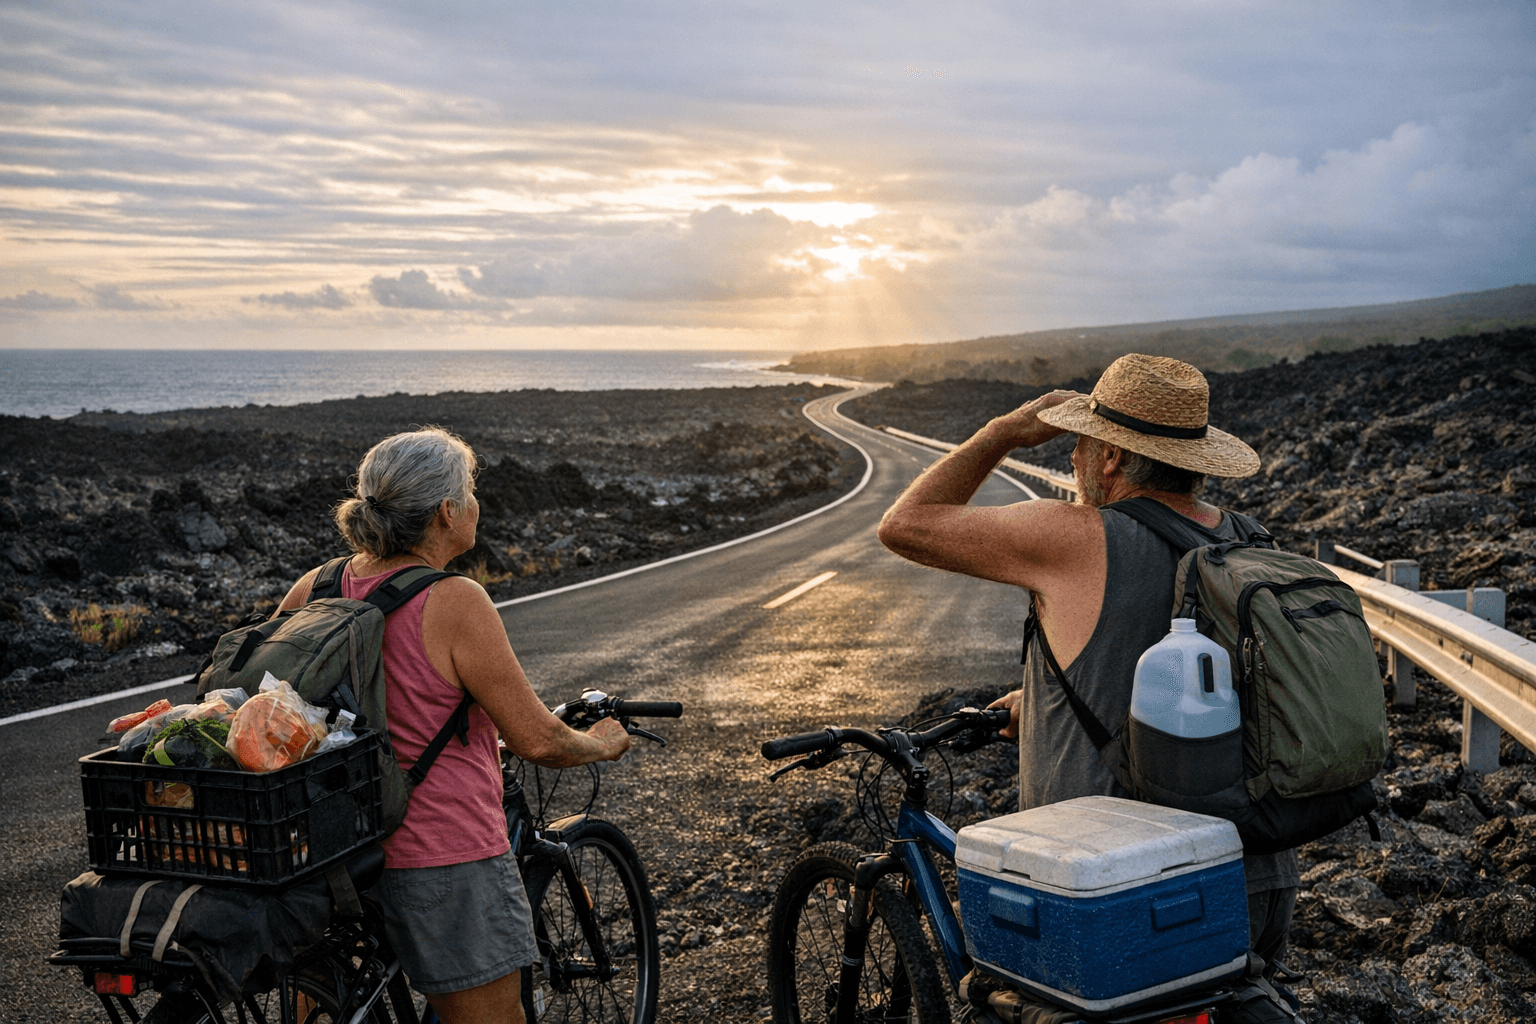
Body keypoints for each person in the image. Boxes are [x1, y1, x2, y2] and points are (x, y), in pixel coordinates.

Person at [877, 354, 1300, 1023]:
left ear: (1107, 457)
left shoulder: (1074, 536)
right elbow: (1197, 685)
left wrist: (1002, 433)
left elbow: (906, 523)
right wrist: (1044, 699)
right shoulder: (1247, 544)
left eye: (1078, 444)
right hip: (1255, 881)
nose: (1072, 457)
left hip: (1112, 895)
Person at [275, 426, 631, 1024]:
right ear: (446, 511)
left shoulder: (319, 585)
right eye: (469, 491)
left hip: (333, 855)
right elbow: (537, 738)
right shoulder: (455, 600)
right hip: (439, 856)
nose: (475, 504)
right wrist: (598, 745)